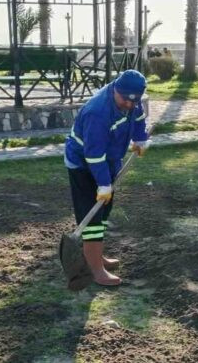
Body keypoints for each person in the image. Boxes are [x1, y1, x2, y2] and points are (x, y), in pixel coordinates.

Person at [64, 70, 150, 286]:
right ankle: (95, 270)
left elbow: (138, 117)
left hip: (109, 159)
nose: (129, 105)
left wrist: (140, 140)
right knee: (91, 216)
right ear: (116, 90)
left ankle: (95, 255)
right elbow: (93, 155)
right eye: (125, 100)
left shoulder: (131, 99)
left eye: (134, 101)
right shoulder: (98, 112)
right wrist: (103, 184)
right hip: (83, 163)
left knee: (103, 210)